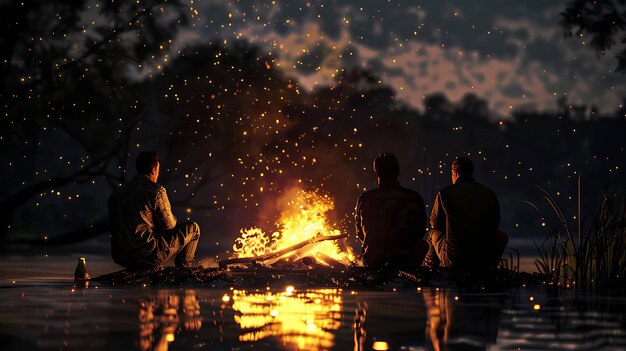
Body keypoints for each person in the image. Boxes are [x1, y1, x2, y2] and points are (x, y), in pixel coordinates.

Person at [108, 151, 201, 269]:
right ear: (154, 168)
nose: (158, 173)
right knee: (193, 229)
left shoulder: (117, 193)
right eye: (158, 170)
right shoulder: (156, 191)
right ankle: (184, 269)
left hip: (121, 257)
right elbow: (169, 225)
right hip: (147, 255)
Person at [424, 156, 508, 270]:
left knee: (432, 233)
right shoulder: (489, 193)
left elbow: (435, 224)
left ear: (455, 173)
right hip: (484, 259)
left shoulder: (445, 193)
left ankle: (428, 268)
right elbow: (495, 224)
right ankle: (489, 268)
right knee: (502, 236)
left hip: (455, 260)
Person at [355, 153, 428, 269]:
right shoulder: (413, 197)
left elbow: (360, 232)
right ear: (397, 171)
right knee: (425, 244)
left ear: (376, 172)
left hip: (373, 260)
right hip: (404, 260)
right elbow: (419, 232)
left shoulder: (365, 198)